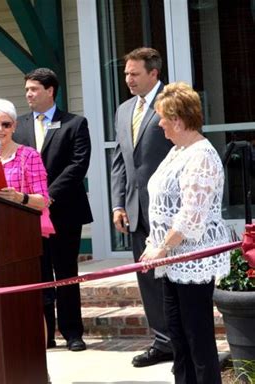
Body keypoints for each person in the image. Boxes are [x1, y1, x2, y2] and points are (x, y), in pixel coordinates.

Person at [140, 82, 230, 383]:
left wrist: (160, 248)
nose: (160, 125)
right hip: (172, 262)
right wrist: (155, 244)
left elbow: (192, 216)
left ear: (177, 119)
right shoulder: (177, 151)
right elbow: (162, 204)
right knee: (178, 339)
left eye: (163, 118)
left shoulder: (201, 155)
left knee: (197, 340)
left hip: (192, 259)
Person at [14, 68, 93, 352]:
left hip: (64, 212)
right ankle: (45, 333)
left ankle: (73, 332)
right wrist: (31, 200)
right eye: (26, 90)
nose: (28, 95)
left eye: (33, 89)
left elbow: (77, 165)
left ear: (50, 91)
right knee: (39, 274)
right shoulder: (18, 126)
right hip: (28, 214)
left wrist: (47, 196)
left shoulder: (74, 124)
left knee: (66, 273)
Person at [110, 47, 174, 367]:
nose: (128, 79)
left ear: (154, 73)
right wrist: (118, 204)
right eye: (126, 74)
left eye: (134, 73)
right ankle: (163, 343)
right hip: (136, 211)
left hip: (170, 212)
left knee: (175, 278)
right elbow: (120, 161)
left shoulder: (173, 103)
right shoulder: (123, 110)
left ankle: (184, 341)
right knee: (148, 279)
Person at [0, 99, 52, 223]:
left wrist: (18, 197)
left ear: (14, 126)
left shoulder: (29, 155)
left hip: (22, 225)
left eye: (6, 124)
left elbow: (43, 201)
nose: (0, 129)